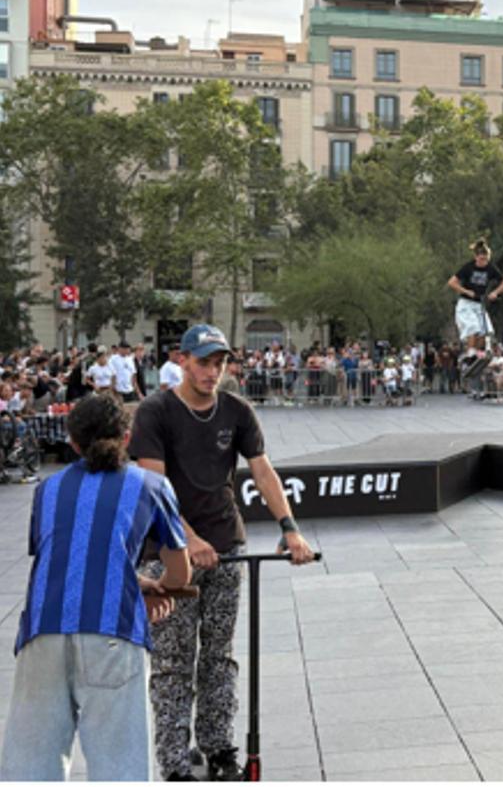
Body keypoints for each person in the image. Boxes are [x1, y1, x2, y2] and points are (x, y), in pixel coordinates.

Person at [129, 324, 316, 781]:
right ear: (182, 360)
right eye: (204, 362)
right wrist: (187, 540)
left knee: (219, 653)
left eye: (220, 363)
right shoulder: (155, 412)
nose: (213, 372)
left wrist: (289, 528)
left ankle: (217, 748)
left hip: (226, 545)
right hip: (167, 553)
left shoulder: (236, 410)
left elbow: (263, 471)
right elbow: (153, 486)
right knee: (173, 661)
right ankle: (175, 762)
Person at [0, 393, 191, 781]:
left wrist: (131, 580)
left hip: (42, 634)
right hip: (111, 634)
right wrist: (156, 587)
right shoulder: (151, 485)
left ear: (72, 442)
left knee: (31, 768)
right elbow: (180, 573)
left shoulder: (47, 489)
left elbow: (68, 557)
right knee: (118, 765)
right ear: (127, 435)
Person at [447, 239, 503, 365]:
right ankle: (470, 352)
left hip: (479, 305)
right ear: (476, 257)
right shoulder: (468, 267)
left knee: (486, 331)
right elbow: (451, 282)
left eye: (485, 260)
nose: (483, 263)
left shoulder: (490, 268)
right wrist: (465, 291)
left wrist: (495, 293)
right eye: (481, 260)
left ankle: (476, 353)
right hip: (465, 304)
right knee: (473, 328)